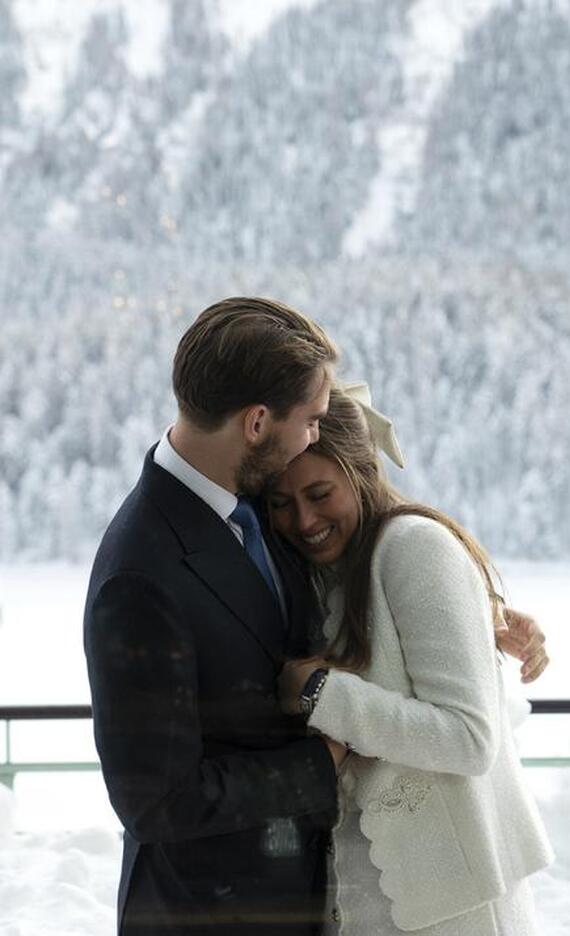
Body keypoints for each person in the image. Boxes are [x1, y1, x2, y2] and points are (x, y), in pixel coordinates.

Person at [83, 297, 346, 936]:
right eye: (311, 421)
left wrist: (480, 606)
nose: (318, 435)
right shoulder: (139, 574)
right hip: (203, 914)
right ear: (257, 421)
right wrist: (320, 766)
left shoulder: (256, 492)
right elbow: (155, 800)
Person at [269, 383, 554, 936]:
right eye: (282, 503)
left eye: (320, 493)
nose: (303, 520)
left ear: (360, 472)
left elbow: (468, 738)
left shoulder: (414, 547)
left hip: (455, 906)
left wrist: (318, 692)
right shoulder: (323, 567)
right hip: (374, 900)